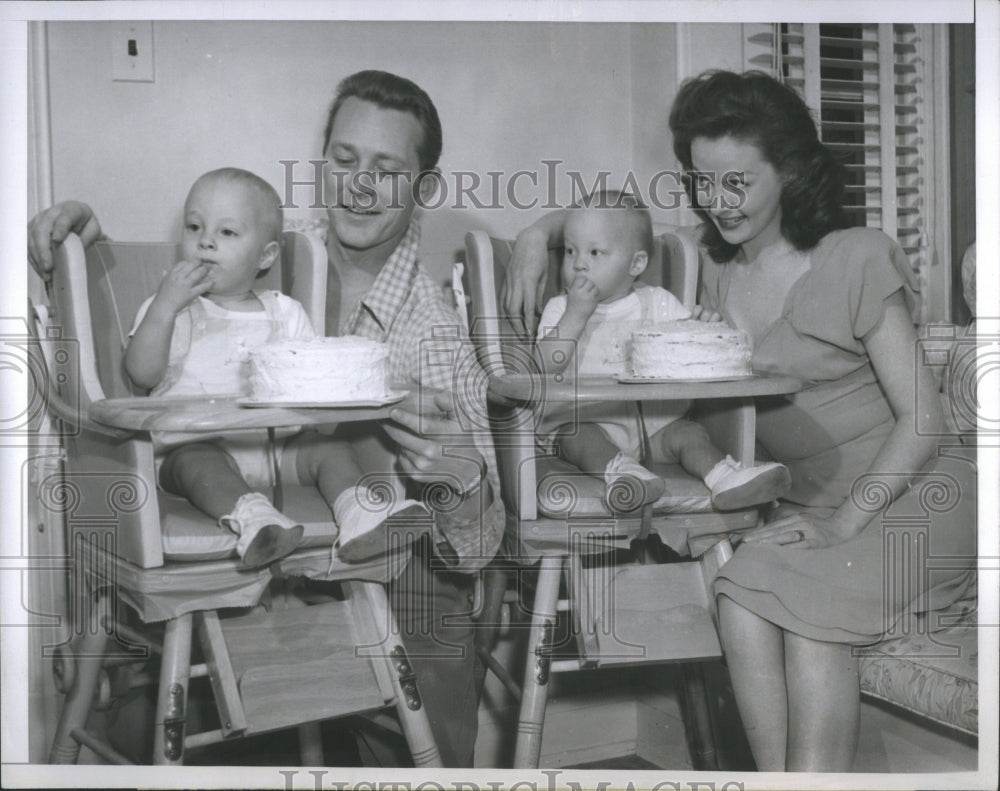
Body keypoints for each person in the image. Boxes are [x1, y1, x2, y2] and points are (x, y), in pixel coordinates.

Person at [502, 70, 976, 772]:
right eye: (701, 181)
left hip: (917, 497)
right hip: (808, 506)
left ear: (789, 171)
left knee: (809, 619)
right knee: (740, 592)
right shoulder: (710, 272)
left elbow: (926, 422)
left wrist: (843, 523)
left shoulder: (855, 255)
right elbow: (610, 229)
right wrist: (534, 238)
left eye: (737, 183)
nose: (717, 202)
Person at [29, 70, 503, 768]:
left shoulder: (434, 329)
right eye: (344, 161)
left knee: (428, 587)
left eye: (387, 170)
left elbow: (483, 544)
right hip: (240, 524)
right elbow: (175, 279)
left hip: (378, 558)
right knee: (154, 680)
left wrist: (462, 475)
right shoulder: (269, 235)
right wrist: (85, 236)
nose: (360, 186)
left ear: (423, 188)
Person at [535, 189, 790, 512]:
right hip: (586, 421)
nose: (579, 264)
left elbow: (689, 352)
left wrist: (704, 327)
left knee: (688, 434)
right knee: (580, 439)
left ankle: (725, 477)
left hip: (654, 426)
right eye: (571, 252)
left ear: (636, 263)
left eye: (595, 253)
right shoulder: (560, 308)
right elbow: (541, 367)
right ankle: (625, 476)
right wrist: (575, 317)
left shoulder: (657, 303)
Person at [124, 167, 312, 568]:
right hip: (189, 451)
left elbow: (310, 383)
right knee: (197, 461)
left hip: (272, 453)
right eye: (194, 227)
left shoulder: (286, 313)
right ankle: (257, 521)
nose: (205, 241)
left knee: (332, 450)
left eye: (226, 233)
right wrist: (164, 307)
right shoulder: (172, 310)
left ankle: (360, 510)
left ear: (265, 256)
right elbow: (140, 375)